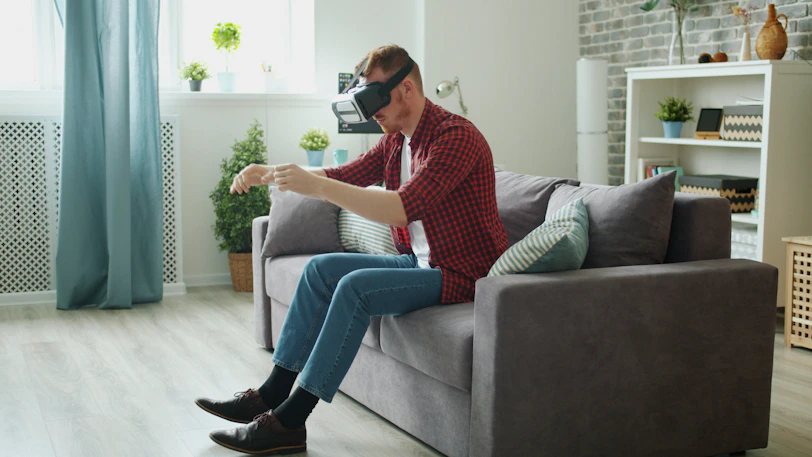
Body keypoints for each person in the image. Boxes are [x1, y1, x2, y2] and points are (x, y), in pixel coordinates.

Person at [196, 44, 508, 455]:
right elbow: (345, 174)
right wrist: (268, 173)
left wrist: (321, 188)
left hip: (465, 273)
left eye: (375, 98)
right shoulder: (397, 141)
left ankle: (290, 422)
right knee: (320, 270)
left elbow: (402, 208)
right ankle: (271, 393)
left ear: (407, 89)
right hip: (419, 262)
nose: (370, 111)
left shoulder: (456, 138)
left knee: (356, 287)